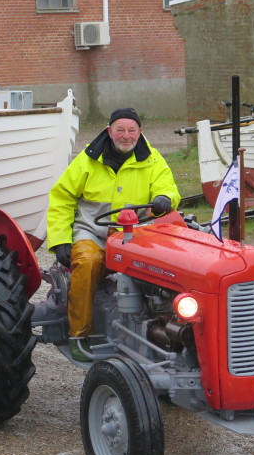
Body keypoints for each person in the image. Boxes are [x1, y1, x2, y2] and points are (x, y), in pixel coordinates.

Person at [46, 107, 181, 362]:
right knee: (87, 262)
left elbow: (167, 188)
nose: (126, 135)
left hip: (135, 235)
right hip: (92, 231)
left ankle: (161, 331)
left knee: (163, 270)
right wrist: (61, 239)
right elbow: (62, 198)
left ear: (140, 132)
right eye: (120, 130)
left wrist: (164, 198)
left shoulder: (153, 160)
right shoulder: (88, 160)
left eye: (131, 130)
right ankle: (79, 335)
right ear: (109, 131)